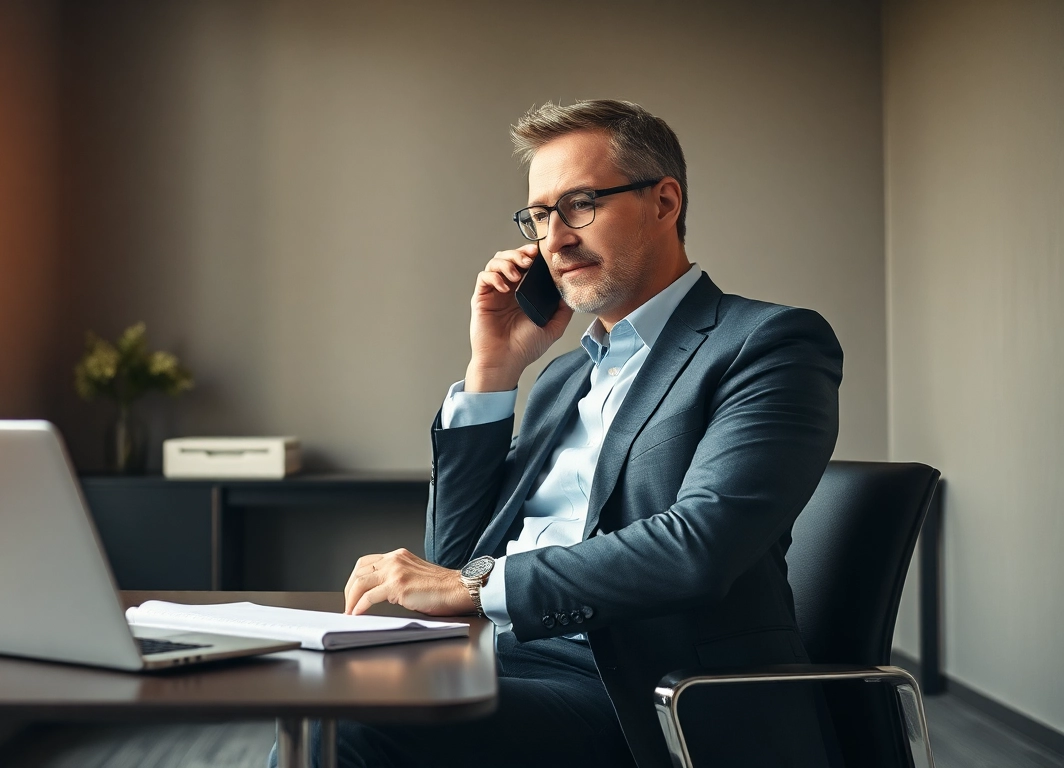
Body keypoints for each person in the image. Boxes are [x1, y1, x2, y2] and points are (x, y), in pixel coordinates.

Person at [322, 100, 842, 768]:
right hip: (499, 658)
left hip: (644, 694)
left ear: (664, 202)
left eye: (581, 204)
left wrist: (475, 587)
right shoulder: (564, 378)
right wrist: (493, 370)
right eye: (540, 216)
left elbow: (700, 546)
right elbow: (452, 556)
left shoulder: (767, 343)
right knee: (322, 701)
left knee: (350, 729)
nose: (556, 239)